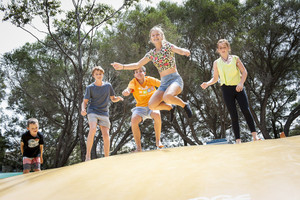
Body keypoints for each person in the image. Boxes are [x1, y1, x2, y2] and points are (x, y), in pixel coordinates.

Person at [111, 25, 192, 120]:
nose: (155, 36)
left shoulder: (168, 46)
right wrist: (123, 66)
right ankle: (170, 107)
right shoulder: (151, 54)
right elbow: (138, 64)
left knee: (167, 97)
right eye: (153, 35)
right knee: (152, 105)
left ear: (162, 36)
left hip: (175, 80)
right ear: (151, 39)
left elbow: (179, 50)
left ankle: (185, 105)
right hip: (164, 83)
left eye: (157, 34)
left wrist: (185, 51)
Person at [200, 39, 258, 144]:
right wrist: (207, 83)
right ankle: (238, 140)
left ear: (228, 48)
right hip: (226, 90)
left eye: (224, 47)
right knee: (233, 115)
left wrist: (241, 83)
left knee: (245, 110)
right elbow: (215, 78)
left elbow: (244, 71)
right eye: (220, 48)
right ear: (218, 50)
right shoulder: (216, 63)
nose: (222, 49)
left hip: (238, 88)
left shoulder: (235, 58)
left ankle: (255, 136)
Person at [81, 66, 123, 161]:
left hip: (104, 112)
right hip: (92, 111)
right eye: (97, 74)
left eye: (100, 74)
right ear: (93, 76)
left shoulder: (108, 86)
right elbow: (85, 101)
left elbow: (113, 98)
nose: (99, 76)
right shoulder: (90, 88)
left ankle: (106, 157)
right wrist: (83, 109)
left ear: (103, 74)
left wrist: (118, 98)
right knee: (92, 129)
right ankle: (87, 155)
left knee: (106, 135)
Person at [122, 66, 163, 152]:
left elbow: (162, 84)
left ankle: (158, 140)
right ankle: (138, 147)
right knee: (133, 120)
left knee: (157, 115)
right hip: (140, 108)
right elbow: (129, 88)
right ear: (134, 75)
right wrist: (126, 91)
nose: (139, 73)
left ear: (145, 73)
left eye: (141, 71)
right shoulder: (133, 82)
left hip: (152, 105)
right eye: (136, 72)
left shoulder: (150, 80)